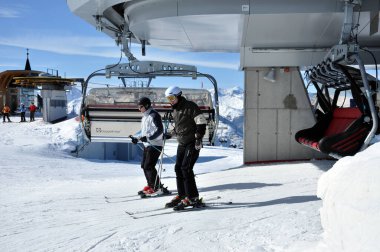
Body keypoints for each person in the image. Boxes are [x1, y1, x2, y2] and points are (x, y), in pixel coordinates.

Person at [164, 86, 207, 210]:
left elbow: (201, 122)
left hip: (192, 142)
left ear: (178, 95)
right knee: (178, 168)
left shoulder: (190, 106)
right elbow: (180, 127)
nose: (170, 100)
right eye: (168, 98)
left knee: (186, 168)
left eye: (172, 97)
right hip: (182, 143)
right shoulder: (176, 110)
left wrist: (198, 138)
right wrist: (171, 133)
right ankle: (182, 195)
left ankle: (192, 198)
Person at [130, 97, 170, 196]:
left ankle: (156, 187)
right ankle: (151, 185)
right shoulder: (145, 117)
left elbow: (159, 130)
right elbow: (144, 132)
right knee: (144, 165)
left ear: (147, 106)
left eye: (141, 107)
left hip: (155, 144)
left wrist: (148, 138)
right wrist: (137, 138)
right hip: (148, 145)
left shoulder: (154, 115)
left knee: (149, 166)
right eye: (138, 107)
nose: (139, 109)